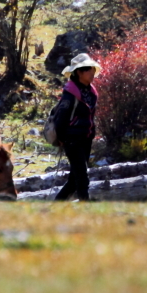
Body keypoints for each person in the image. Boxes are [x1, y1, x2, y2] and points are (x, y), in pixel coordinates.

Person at [53, 53, 101, 201]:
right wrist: (62, 139)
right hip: (72, 141)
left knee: (74, 180)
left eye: (93, 69)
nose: (92, 73)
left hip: (86, 140)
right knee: (82, 178)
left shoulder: (90, 92)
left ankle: (52, 211)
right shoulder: (69, 95)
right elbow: (61, 119)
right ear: (79, 72)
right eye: (89, 70)